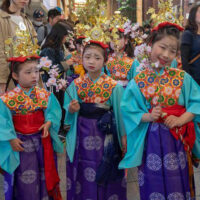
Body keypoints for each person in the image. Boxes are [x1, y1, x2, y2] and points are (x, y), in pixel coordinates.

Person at [119, 22, 200, 200]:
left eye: (172, 51)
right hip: (151, 140)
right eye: (162, 47)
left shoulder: (182, 77)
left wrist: (181, 120)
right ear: (151, 44)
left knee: (177, 181)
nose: (166, 54)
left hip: (176, 138)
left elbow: (197, 103)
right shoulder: (139, 80)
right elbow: (128, 109)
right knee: (151, 180)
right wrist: (148, 116)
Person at [0, 39, 63, 199]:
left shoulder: (44, 94)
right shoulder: (7, 99)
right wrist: (11, 138)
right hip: (19, 144)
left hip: (41, 142)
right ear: (15, 75)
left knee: (43, 175)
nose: (34, 76)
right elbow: (3, 121)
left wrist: (49, 122)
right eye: (28, 72)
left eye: (36, 71)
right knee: (22, 179)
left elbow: (52, 112)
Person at [64, 41, 127, 200]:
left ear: (105, 61)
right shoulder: (75, 85)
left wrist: (123, 138)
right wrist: (72, 109)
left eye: (97, 58)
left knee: (105, 166)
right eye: (88, 57)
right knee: (83, 165)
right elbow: (67, 110)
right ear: (82, 59)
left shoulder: (114, 86)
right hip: (81, 131)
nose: (91, 61)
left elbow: (120, 114)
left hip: (106, 133)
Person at [0, 0, 37, 95]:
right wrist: (2, 81)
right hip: (10, 78)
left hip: (28, 78)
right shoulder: (2, 19)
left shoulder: (26, 20)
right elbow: (1, 51)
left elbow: (34, 48)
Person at [181, 4, 200, 85]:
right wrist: (188, 80)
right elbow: (184, 59)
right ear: (193, 14)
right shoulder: (188, 34)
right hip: (194, 79)